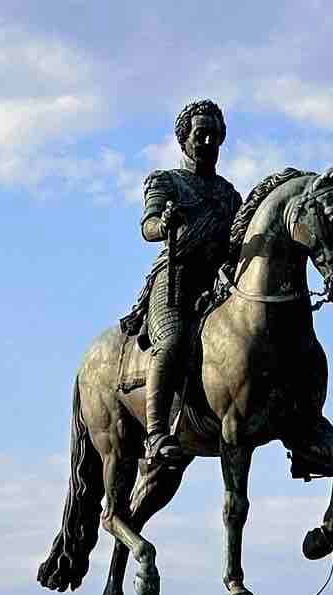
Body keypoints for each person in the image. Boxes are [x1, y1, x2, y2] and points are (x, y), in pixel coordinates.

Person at [120, 99, 242, 467]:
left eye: (214, 136)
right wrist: (165, 224)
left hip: (219, 284)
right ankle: (156, 432)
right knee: (171, 341)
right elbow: (148, 227)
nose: (207, 142)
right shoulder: (166, 182)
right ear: (184, 140)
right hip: (175, 279)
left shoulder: (229, 194)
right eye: (200, 135)